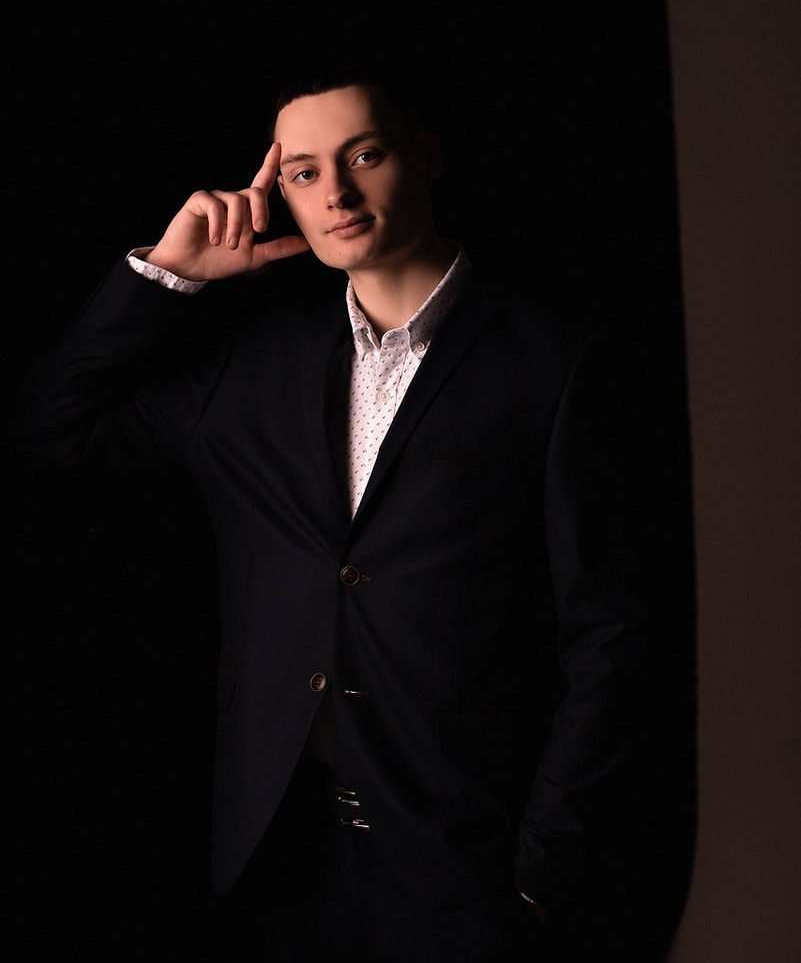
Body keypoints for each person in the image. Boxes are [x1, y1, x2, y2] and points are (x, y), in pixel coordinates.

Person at [12, 56, 672, 961]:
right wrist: (166, 274)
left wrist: (541, 872)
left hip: (466, 864)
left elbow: (613, 635)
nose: (335, 193)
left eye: (364, 156)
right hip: (278, 856)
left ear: (425, 158)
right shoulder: (253, 367)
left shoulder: (554, 363)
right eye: (302, 171)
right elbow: (50, 428)